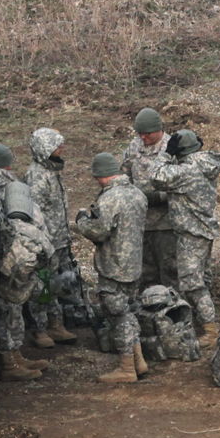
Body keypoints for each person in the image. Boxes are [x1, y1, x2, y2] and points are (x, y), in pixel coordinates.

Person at [72, 153, 149, 384]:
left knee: (118, 315)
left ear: (102, 176)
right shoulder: (138, 194)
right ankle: (139, 360)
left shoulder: (109, 199)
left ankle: (126, 367)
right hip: (134, 264)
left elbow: (100, 231)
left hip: (113, 265)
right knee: (130, 310)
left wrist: (82, 222)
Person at [150, 129, 220, 348]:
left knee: (191, 283)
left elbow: (157, 176)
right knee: (203, 278)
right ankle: (203, 321)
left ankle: (210, 329)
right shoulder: (205, 164)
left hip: (191, 233)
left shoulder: (186, 170)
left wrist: (165, 153)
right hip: (203, 230)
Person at [25, 127, 79, 347]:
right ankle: (40, 329)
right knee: (44, 286)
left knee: (58, 283)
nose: (61, 148)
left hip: (60, 241)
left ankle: (56, 324)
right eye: (56, 145)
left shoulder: (53, 171)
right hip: (46, 244)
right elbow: (36, 214)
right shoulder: (37, 176)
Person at [0, 182, 53, 381]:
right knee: (7, 316)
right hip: (10, 281)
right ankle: (9, 365)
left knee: (12, 315)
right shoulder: (30, 231)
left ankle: (16, 356)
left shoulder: (7, 225)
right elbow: (50, 258)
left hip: (9, 279)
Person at [120, 108, 174, 287]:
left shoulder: (172, 147)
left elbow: (184, 183)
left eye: (147, 134)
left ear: (159, 129)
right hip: (141, 222)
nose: (143, 138)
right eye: (140, 134)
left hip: (167, 223)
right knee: (145, 272)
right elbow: (124, 174)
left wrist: (157, 197)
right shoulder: (134, 146)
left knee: (170, 270)